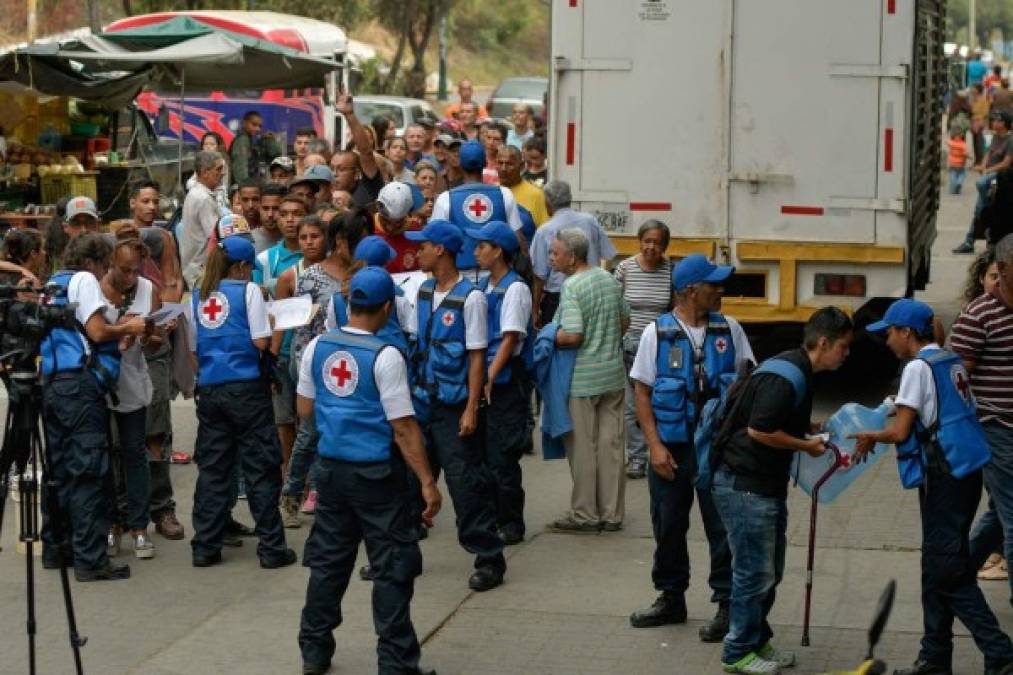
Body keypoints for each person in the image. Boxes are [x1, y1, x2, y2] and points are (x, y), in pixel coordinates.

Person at [853, 299, 1013, 675]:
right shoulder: (947, 359)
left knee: (947, 572)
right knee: (935, 565)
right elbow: (934, 407)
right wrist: (896, 404)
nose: (887, 340)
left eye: (889, 332)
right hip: (966, 471)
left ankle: (1000, 651)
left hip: (945, 476)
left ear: (907, 333)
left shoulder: (916, 367)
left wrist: (869, 436)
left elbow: (901, 432)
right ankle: (934, 658)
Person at [295, 267, 441, 675]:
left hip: (331, 471)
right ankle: (396, 665)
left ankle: (314, 651)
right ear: (387, 307)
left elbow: (305, 410)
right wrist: (428, 483)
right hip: (378, 476)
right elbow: (403, 428)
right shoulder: (385, 354)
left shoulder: (318, 346)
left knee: (328, 563)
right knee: (393, 568)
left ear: (349, 302)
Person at [713, 307, 852, 674]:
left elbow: (776, 420)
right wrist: (806, 446)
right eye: (844, 347)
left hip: (763, 485)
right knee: (753, 572)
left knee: (768, 570)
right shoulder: (787, 377)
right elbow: (760, 430)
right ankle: (737, 652)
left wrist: (812, 428)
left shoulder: (797, 371)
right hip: (745, 486)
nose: (847, 354)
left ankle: (756, 640)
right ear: (824, 343)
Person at [627, 253, 751, 642]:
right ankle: (671, 597)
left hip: (717, 449)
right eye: (713, 284)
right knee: (668, 524)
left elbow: (750, 384)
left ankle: (728, 604)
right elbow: (642, 393)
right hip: (672, 449)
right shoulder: (656, 333)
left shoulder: (730, 329)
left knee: (722, 528)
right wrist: (654, 446)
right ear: (690, 291)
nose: (720, 290)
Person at [404, 220, 507, 591]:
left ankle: (489, 558)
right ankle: (401, 556)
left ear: (441, 250)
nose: (418, 252)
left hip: (453, 406)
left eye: (424, 246)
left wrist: (471, 409)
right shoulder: (425, 290)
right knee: (410, 482)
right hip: (423, 402)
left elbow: (476, 356)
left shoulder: (472, 298)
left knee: (466, 486)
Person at [40, 233, 150, 580]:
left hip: (52, 385)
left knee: (57, 471)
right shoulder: (84, 280)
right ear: (92, 263)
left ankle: (57, 549)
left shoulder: (53, 283)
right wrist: (128, 327)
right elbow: (98, 331)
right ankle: (90, 559)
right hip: (79, 388)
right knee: (87, 471)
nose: (104, 274)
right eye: (104, 265)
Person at [188, 235, 296, 569]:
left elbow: (194, 352)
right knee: (261, 469)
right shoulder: (248, 290)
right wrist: (275, 320)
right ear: (244, 266)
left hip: (211, 390)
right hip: (247, 389)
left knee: (214, 469)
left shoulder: (197, 296)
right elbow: (262, 342)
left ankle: (205, 546)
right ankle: (272, 549)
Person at [279, 215, 365, 528]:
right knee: (309, 433)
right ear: (339, 241)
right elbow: (301, 327)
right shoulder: (311, 277)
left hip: (353, 364)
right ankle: (290, 495)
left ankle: (334, 496)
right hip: (315, 362)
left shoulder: (364, 275)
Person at [548, 228, 629, 532]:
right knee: (611, 447)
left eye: (555, 253)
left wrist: (549, 336)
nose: (551, 258)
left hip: (581, 380)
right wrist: (606, 342)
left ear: (572, 257)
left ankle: (584, 513)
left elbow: (573, 335)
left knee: (583, 449)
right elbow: (625, 320)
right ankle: (612, 514)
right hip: (613, 376)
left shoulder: (572, 286)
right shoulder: (608, 279)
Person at [467, 220, 533, 545]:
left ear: (498, 252)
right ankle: (492, 517)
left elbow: (509, 339)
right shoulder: (484, 288)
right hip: (486, 381)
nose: (476, 252)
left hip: (505, 383)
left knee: (502, 458)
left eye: (482, 246)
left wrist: (489, 377)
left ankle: (511, 522)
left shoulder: (515, 288)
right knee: (484, 456)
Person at [955, 235, 1013, 601]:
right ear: (1003, 270)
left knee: (999, 514)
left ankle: (952, 578)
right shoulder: (979, 316)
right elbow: (956, 381)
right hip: (997, 431)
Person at [101, 236, 160, 560]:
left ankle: (140, 527)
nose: (129, 278)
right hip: (101, 385)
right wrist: (120, 331)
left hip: (133, 383)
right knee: (105, 456)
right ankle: (112, 525)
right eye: (124, 270)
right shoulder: (94, 288)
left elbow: (154, 342)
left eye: (135, 271)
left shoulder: (148, 289)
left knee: (135, 454)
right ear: (110, 263)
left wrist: (149, 332)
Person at [612, 222, 673, 478]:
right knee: (631, 405)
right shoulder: (625, 269)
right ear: (639, 241)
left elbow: (673, 309)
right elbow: (614, 306)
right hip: (628, 344)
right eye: (646, 240)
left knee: (659, 400)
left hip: (659, 345)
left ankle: (660, 451)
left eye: (657, 242)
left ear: (665, 245)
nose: (651, 247)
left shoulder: (671, 271)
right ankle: (637, 457)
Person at [432, 140, 525, 281]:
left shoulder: (446, 198)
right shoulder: (504, 194)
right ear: (486, 163)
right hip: (497, 275)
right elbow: (518, 239)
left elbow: (435, 241)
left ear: (460, 164)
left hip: (459, 277)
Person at [530, 180, 617, 329]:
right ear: (570, 199)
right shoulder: (590, 221)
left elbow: (539, 275)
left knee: (559, 342)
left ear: (547, 203)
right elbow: (608, 255)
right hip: (592, 292)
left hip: (558, 298)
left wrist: (535, 309)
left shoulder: (544, 230)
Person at [954, 111, 1013, 254]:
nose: (994, 123)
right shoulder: (994, 137)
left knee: (981, 185)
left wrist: (988, 170)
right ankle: (970, 241)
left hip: (1000, 178)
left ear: (1005, 124)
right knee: (979, 208)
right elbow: (988, 154)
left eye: (998, 120)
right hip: (990, 176)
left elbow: (1006, 163)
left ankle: (970, 241)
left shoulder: (1010, 140)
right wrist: (983, 165)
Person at [181, 151, 228, 289]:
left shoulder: (196, 194)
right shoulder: (203, 198)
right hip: (201, 271)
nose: (222, 174)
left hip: (195, 268)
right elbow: (216, 235)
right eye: (218, 169)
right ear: (205, 172)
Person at [334, 94, 385, 208]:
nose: (334, 174)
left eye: (341, 169)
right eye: (332, 168)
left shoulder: (369, 187)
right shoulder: (327, 191)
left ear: (357, 174)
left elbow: (366, 151)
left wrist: (349, 115)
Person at [497, 144, 549, 228]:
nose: (503, 168)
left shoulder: (536, 195)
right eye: (500, 163)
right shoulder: (493, 192)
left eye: (509, 164)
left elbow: (544, 232)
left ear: (521, 166)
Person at [230, 110, 281, 182]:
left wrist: (269, 141)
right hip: (244, 188)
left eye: (260, 126)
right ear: (245, 123)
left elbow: (276, 155)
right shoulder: (242, 140)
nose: (257, 129)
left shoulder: (252, 141)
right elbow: (240, 171)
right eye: (254, 125)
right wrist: (246, 186)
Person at [255, 183, 285, 254]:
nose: (270, 214)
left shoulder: (295, 240)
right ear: (259, 208)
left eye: (275, 208)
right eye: (265, 208)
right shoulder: (249, 240)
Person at [972, 82, 992, 165]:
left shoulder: (983, 100)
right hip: (974, 123)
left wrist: (978, 122)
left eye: (974, 88)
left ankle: (981, 162)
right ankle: (976, 161)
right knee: (975, 143)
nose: (972, 89)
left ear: (977, 90)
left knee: (980, 143)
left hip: (980, 123)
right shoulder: (973, 99)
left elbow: (985, 113)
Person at [948, 127, 969, 195]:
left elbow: (947, 141)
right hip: (961, 164)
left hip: (952, 164)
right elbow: (966, 153)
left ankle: (954, 187)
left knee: (952, 176)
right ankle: (959, 183)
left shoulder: (951, 143)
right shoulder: (963, 144)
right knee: (962, 175)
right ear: (961, 136)